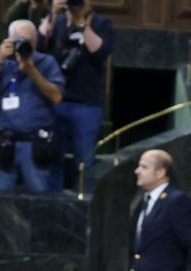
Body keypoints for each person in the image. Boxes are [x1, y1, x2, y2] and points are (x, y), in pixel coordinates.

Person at [0, 19, 61, 193]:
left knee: (39, 200)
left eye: (30, 41)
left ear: (36, 41)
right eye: (21, 41)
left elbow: (57, 96)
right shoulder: (3, 63)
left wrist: (32, 71)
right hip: (4, 142)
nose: (26, 45)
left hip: (34, 143)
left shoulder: (47, 62)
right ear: (10, 40)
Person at [39, 0, 110, 190]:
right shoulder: (58, 20)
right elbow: (39, 46)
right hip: (57, 100)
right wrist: (52, 14)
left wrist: (80, 23)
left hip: (86, 103)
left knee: (85, 161)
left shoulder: (101, 22)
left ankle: (82, 203)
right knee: (52, 157)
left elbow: (99, 52)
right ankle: (52, 201)